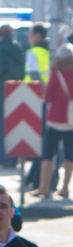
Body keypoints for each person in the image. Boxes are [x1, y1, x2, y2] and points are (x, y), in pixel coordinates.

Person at [32, 44, 73, 199]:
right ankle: (65, 188)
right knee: (70, 155)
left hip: (55, 119)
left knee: (48, 154)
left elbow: (48, 96)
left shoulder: (56, 73)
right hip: (71, 121)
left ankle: (44, 187)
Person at [0, 24, 26, 168]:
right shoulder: (20, 51)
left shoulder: (0, 52)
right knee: (15, 126)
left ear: (0, 35)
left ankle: (2, 157)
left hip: (1, 93)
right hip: (18, 92)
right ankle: (14, 158)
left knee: (1, 127)